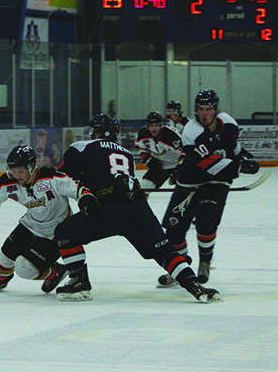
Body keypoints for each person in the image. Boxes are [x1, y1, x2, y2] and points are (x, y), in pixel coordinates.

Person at [53, 113, 221, 303]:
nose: (91, 134)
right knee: (164, 252)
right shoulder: (125, 153)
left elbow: (60, 178)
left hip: (108, 209)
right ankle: (194, 285)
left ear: (99, 132)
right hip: (139, 208)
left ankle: (78, 280)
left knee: (64, 232)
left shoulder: (80, 147)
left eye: (94, 131)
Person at [158, 89, 259, 288]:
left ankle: (204, 263)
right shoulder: (191, 131)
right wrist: (239, 167)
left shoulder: (228, 123)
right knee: (173, 229)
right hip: (190, 181)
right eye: (201, 109)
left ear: (216, 109)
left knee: (206, 222)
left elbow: (231, 147)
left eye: (209, 109)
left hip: (216, 184)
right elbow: (207, 164)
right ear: (196, 110)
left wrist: (246, 156)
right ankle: (181, 268)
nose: (204, 113)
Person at [0, 145, 89, 293]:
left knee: (24, 268)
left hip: (56, 231)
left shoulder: (50, 177)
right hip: (31, 224)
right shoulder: (9, 181)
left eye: (21, 171)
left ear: (31, 167)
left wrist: (85, 199)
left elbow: (76, 188)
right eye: (14, 171)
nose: (17, 175)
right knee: (6, 255)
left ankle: (56, 272)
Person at [135, 111, 182, 190]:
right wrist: (148, 159)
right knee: (145, 187)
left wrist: (181, 168)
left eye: (156, 125)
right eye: (151, 125)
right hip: (160, 165)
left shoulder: (171, 136)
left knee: (185, 189)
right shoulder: (143, 135)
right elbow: (140, 148)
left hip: (177, 165)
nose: (153, 128)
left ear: (161, 125)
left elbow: (185, 152)